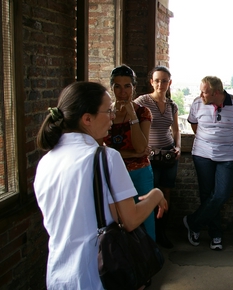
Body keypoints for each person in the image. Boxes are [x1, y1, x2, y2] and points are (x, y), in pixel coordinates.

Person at [34, 81, 167, 289]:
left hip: (59, 274)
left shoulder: (46, 161)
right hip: (97, 274)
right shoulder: (106, 158)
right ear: (87, 118)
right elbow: (129, 220)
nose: (113, 117)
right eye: (108, 111)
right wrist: (156, 195)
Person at [184, 76, 233, 250]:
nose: (201, 94)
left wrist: (225, 142)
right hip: (202, 154)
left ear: (216, 93)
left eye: (204, 91)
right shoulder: (198, 103)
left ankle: (193, 223)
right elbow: (194, 124)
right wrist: (208, 141)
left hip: (227, 156)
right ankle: (216, 235)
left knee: (220, 195)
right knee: (206, 195)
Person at [102, 65, 156, 240]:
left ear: (134, 87)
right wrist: (132, 154)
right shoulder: (105, 113)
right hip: (113, 172)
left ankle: (149, 258)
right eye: (117, 86)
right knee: (116, 219)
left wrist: (132, 117)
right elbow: (102, 151)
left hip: (139, 172)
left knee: (145, 217)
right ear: (112, 87)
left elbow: (141, 148)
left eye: (127, 86)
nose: (122, 91)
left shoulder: (142, 112)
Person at [134, 66, 181, 248]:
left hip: (169, 154)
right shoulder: (142, 102)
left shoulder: (172, 105)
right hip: (150, 156)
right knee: (150, 194)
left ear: (169, 83)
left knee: (167, 192)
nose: (161, 84)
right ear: (151, 82)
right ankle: (148, 236)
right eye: (157, 80)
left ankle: (162, 233)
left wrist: (178, 147)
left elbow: (176, 130)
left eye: (164, 81)